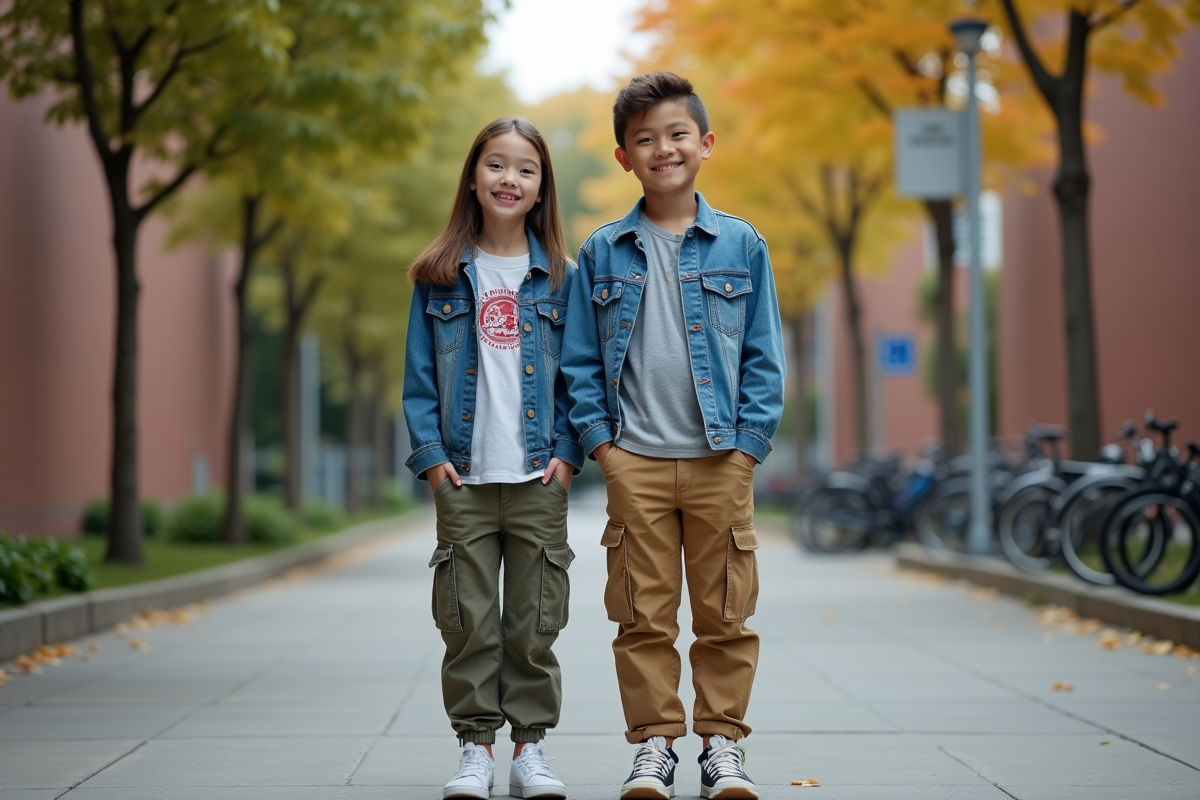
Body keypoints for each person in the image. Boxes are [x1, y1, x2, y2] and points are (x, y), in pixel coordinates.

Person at [561, 72, 786, 800]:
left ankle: (722, 746)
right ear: (624, 157)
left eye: (677, 134)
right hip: (637, 462)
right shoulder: (603, 252)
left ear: (705, 143)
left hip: (722, 459)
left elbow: (764, 356)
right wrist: (605, 449)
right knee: (642, 617)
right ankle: (654, 747)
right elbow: (579, 363)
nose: (663, 148)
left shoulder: (742, 244)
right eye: (645, 139)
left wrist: (749, 447)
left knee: (726, 614)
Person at [403, 116, 582, 800]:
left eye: (526, 169)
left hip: (538, 478)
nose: (510, 179)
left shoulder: (563, 278)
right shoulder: (438, 276)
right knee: (468, 622)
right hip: (465, 479)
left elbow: (580, 377)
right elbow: (420, 378)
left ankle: (530, 750)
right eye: (497, 165)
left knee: (534, 624)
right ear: (474, 179)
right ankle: (474, 750)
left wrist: (567, 456)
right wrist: (432, 461)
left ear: (541, 188)